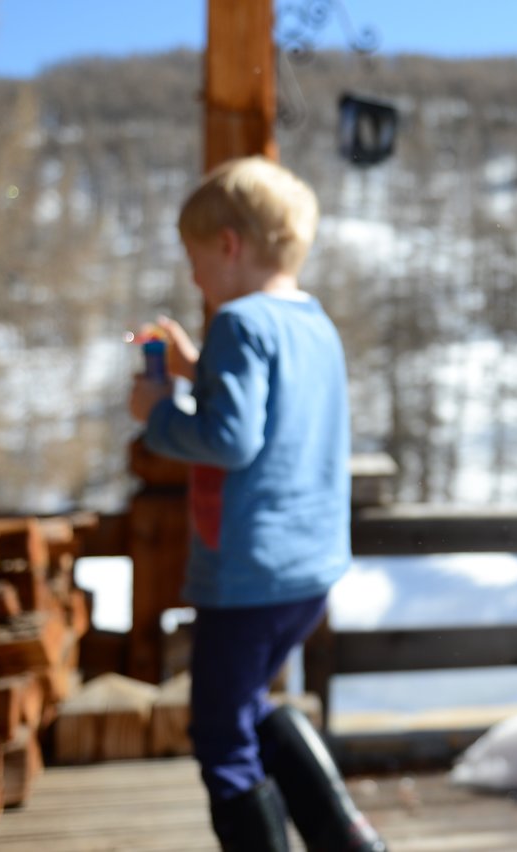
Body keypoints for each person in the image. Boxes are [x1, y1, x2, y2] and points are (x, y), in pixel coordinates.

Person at [129, 156, 385, 852]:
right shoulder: (313, 323)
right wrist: (195, 369)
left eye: (194, 258)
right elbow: (278, 415)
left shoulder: (238, 323)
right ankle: (349, 840)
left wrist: (159, 410)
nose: (193, 278)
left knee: (218, 732)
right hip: (307, 572)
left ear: (229, 245)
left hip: (246, 575)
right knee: (251, 707)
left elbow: (230, 437)